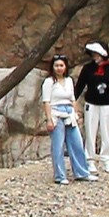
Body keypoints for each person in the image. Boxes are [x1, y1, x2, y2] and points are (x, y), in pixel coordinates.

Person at [77, 42, 109, 183]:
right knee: (90, 131)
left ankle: (107, 159)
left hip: (107, 103)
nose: (95, 57)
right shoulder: (87, 68)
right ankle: (90, 158)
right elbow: (80, 86)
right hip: (91, 103)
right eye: (93, 54)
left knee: (106, 130)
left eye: (97, 54)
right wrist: (72, 99)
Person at [39, 53, 87, 185]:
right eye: (56, 66)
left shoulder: (69, 80)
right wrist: (49, 119)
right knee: (58, 145)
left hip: (69, 112)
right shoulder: (49, 82)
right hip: (56, 112)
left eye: (61, 65)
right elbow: (46, 101)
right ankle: (60, 175)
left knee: (77, 143)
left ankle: (81, 172)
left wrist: (76, 113)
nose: (59, 68)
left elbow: (72, 99)